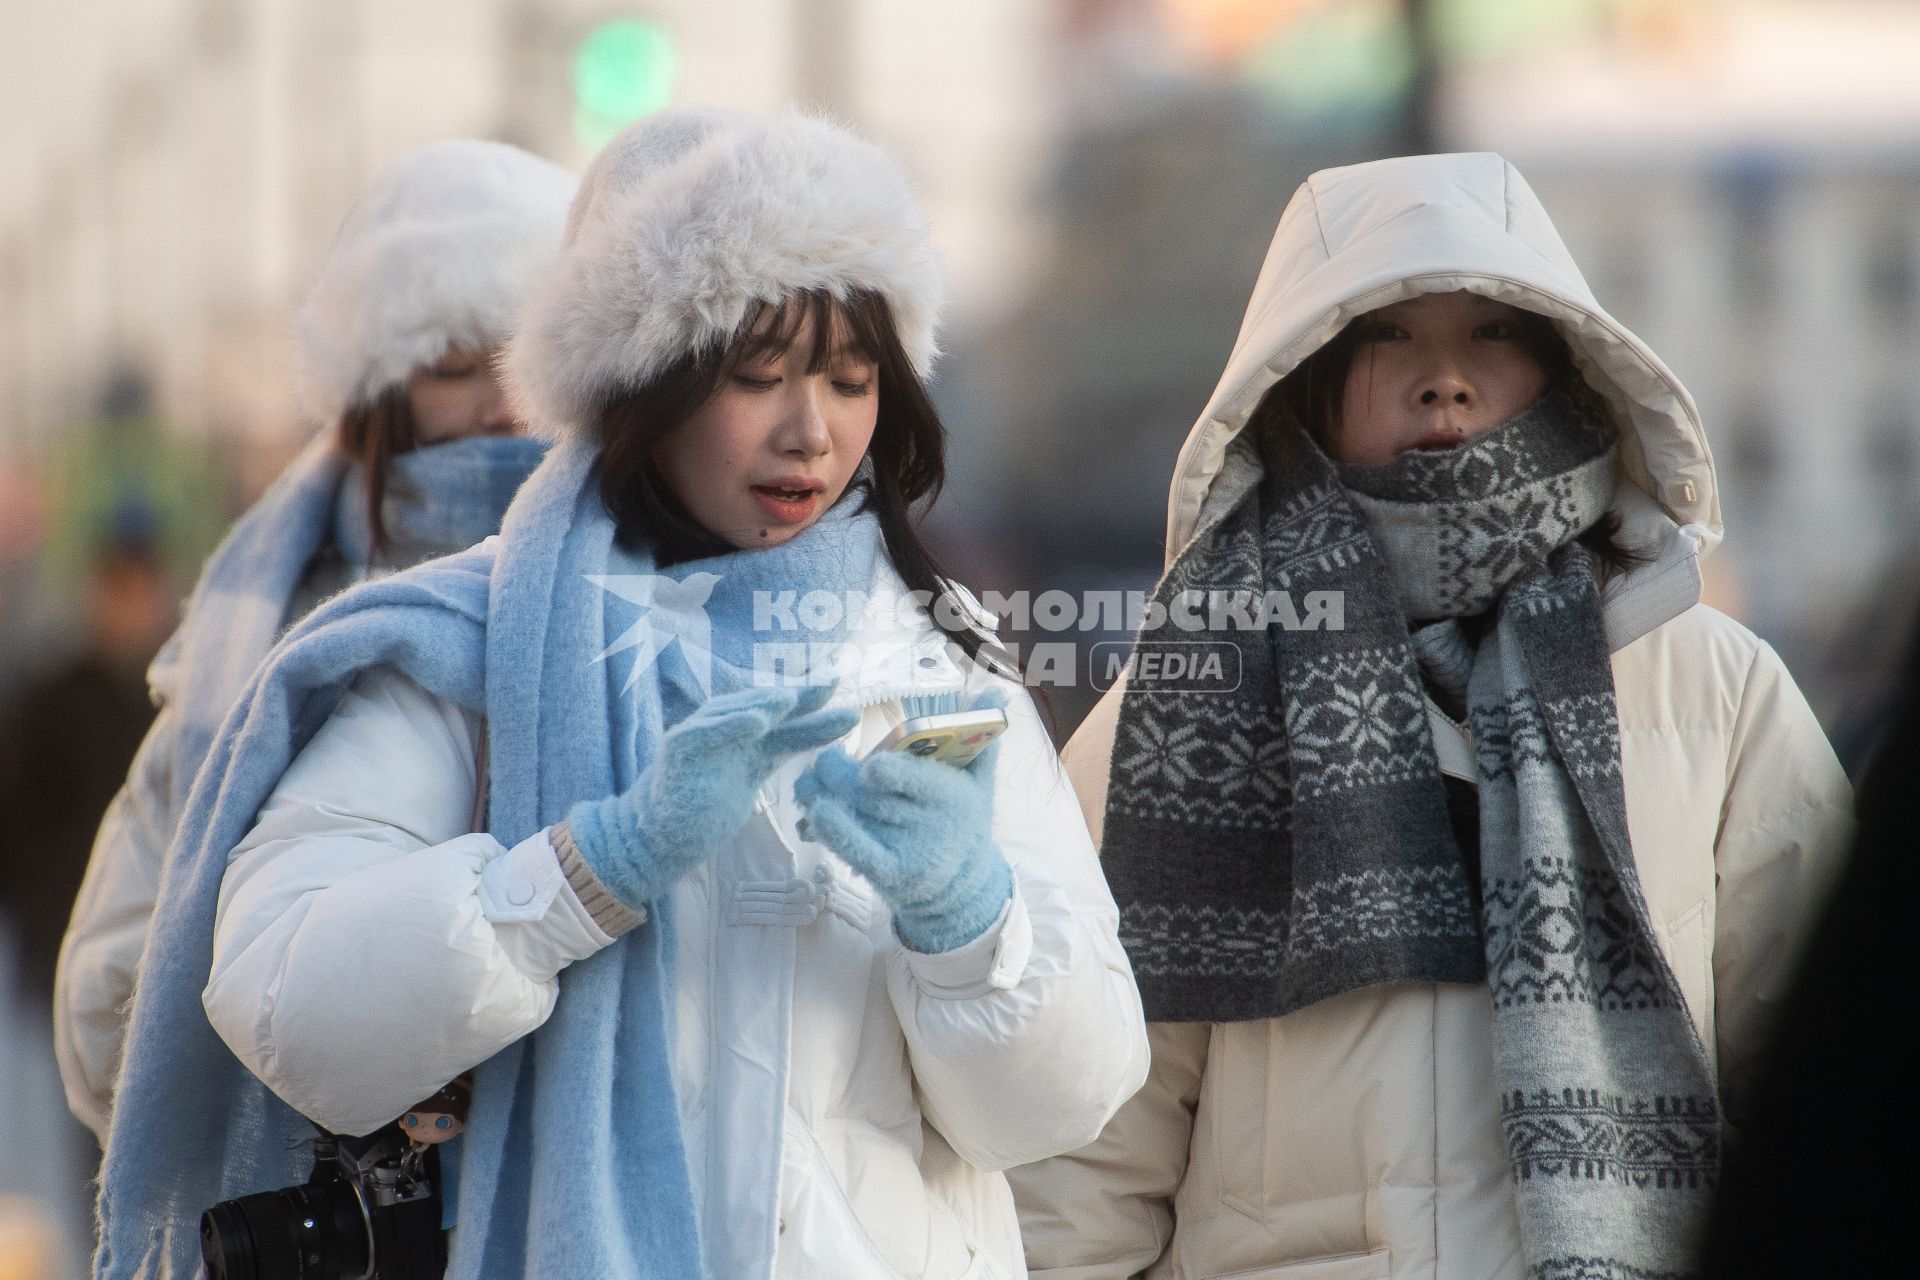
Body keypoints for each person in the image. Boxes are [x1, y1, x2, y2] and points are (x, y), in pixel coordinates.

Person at [96, 108, 1147, 1280]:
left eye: (853, 380)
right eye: (759, 377)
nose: (813, 431)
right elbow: (285, 1001)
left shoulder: (941, 654)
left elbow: (1066, 1106)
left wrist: (972, 921)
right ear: (643, 379)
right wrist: (588, 868)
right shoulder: (469, 649)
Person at [1009, 153, 1853, 1279]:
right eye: (1385, 333)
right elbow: (1079, 1158)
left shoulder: (1715, 691)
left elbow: (1835, 1088)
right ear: (1303, 376)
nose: (1443, 379)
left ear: (1565, 371)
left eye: (1494, 332)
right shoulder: (1176, 709)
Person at [53, 139, 571, 1140]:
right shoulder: (253, 643)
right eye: (458, 365)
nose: (504, 402)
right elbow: (104, 1016)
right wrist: (329, 1051)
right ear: (379, 394)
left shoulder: (662, 603)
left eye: (535, 355)